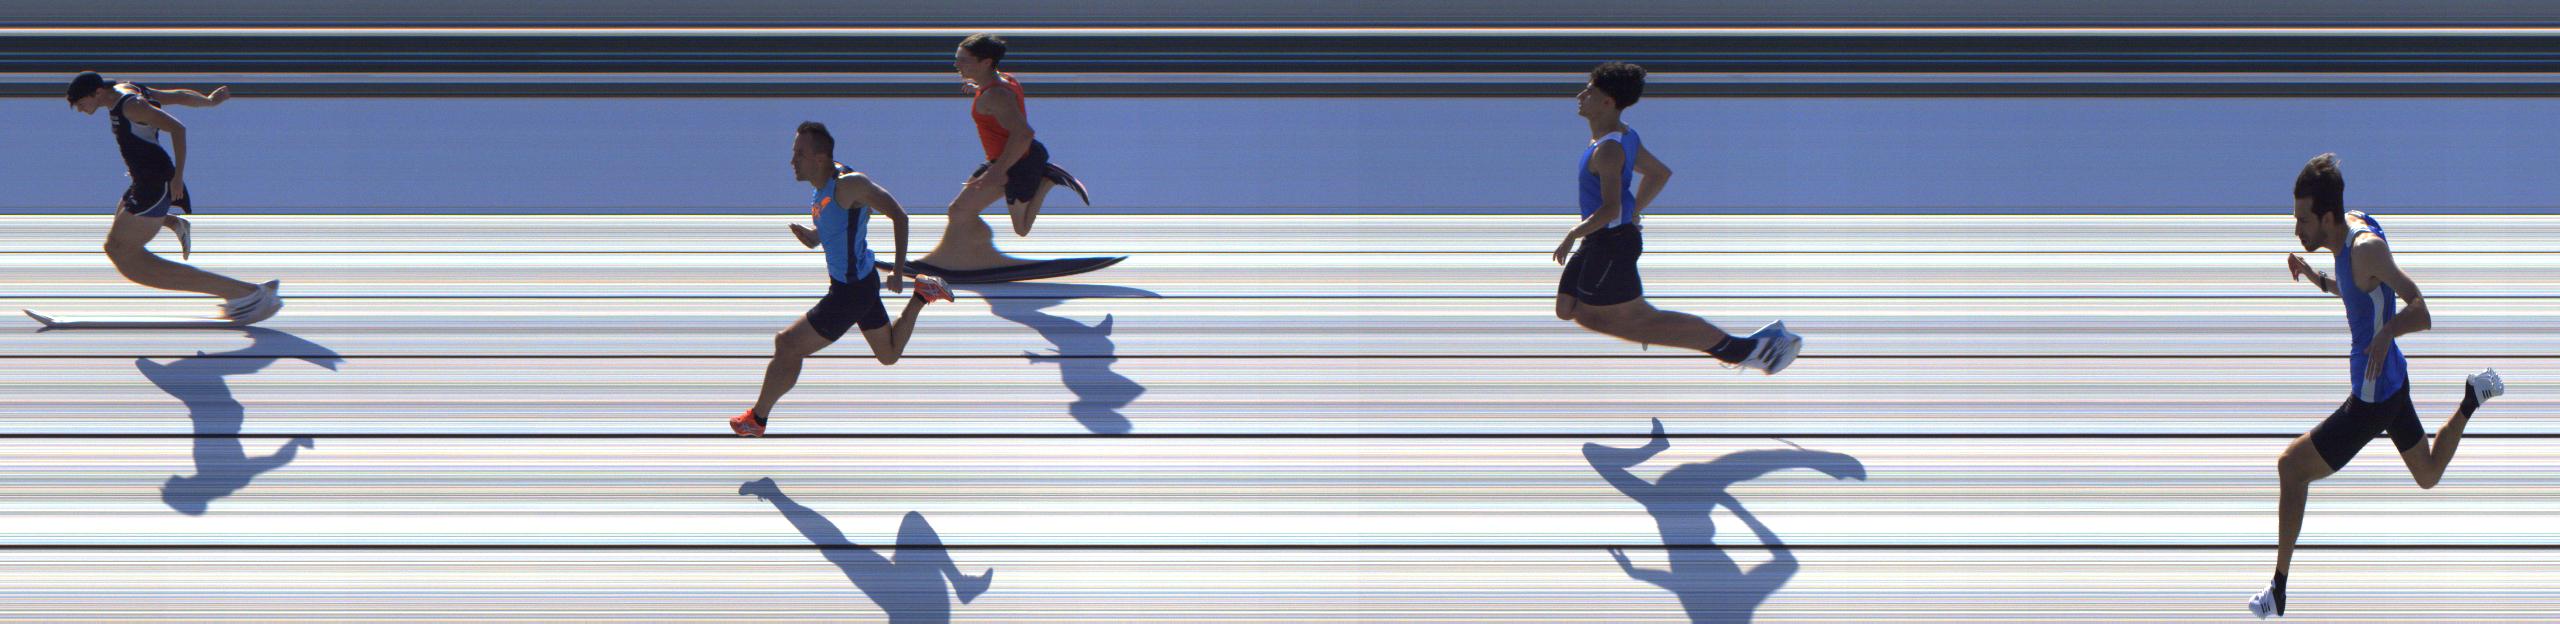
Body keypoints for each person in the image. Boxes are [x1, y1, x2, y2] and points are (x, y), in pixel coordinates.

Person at [2250, 153, 2506, 619]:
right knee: (2429, 474)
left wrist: (2388, 333)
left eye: (2303, 220)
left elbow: (2421, 309)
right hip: (2393, 383)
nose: (2296, 229)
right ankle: (2471, 398)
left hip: (2371, 400)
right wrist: (2315, 277)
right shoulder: (2347, 229)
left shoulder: (2365, 247)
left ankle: (2278, 590)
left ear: (2327, 218)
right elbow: (2357, 289)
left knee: (2291, 467)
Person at [1554, 62, 1800, 373]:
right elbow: (1658, 174)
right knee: (1569, 308)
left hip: (1610, 243)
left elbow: (1611, 209)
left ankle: (1751, 350)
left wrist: (1573, 234)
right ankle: (1662, 331)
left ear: (1607, 102)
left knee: (1634, 319)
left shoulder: (1608, 151)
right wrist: (1631, 212)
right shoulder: (1623, 137)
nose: (1580, 96)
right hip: (1601, 237)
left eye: (1589, 92)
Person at [731, 122, 955, 437]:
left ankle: (757, 419)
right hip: (857, 284)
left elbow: (899, 216)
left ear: (820, 158)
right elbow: (838, 224)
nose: (792, 160)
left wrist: (897, 270)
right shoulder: (820, 186)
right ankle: (922, 294)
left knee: (787, 344)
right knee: (889, 354)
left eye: (799, 154)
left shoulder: (850, 185)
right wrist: (813, 237)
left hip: (851, 292)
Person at [66, 71, 279, 323]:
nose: (80, 110)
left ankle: (247, 295)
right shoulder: (127, 88)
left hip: (155, 185)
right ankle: (174, 223)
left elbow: (177, 128)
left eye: (81, 104)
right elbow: (178, 95)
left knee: (125, 256)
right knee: (117, 240)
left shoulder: (132, 106)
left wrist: (178, 178)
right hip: (144, 181)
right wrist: (209, 101)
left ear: (98, 92)